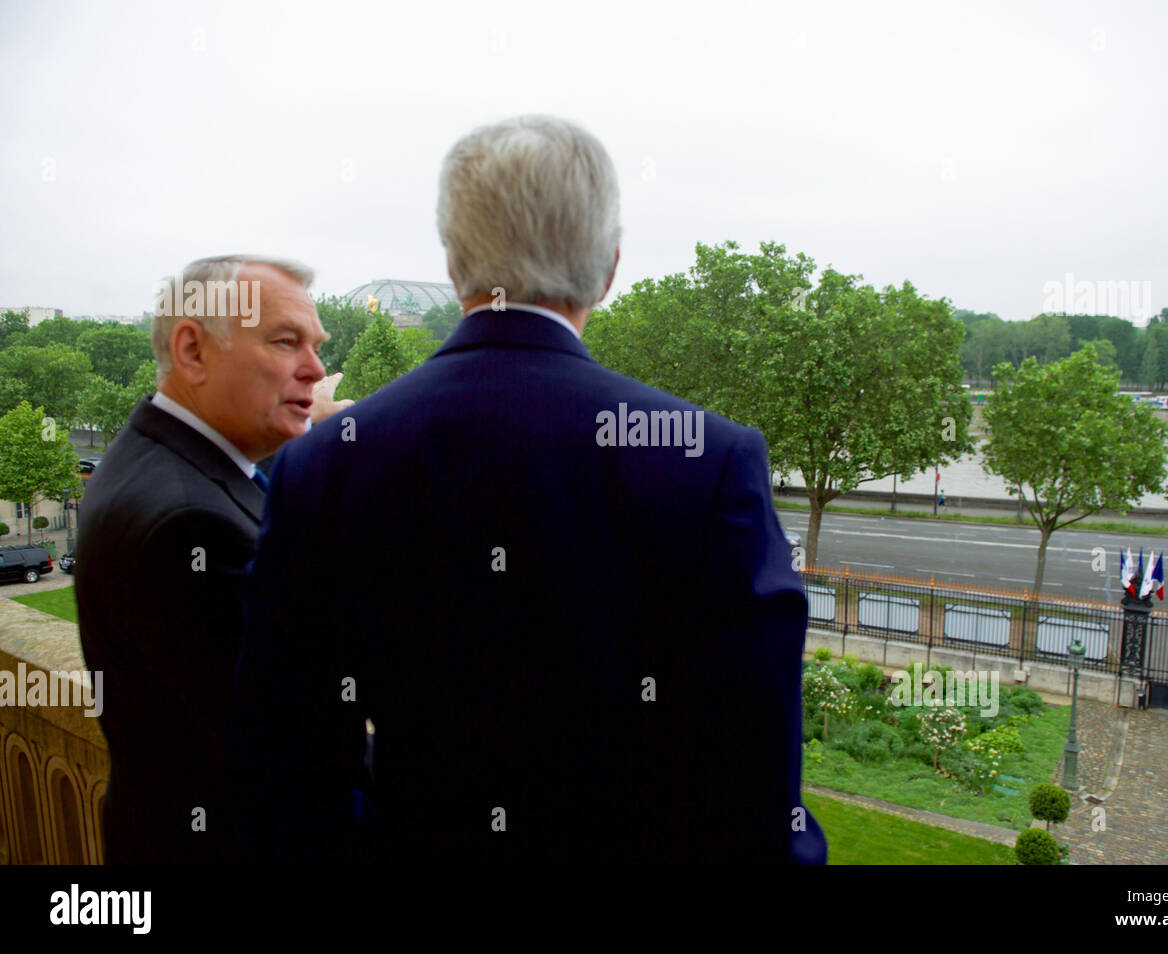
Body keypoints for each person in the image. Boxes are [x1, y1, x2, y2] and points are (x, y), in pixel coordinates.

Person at [229, 115, 826, 864]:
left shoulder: (322, 467)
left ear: (454, 265)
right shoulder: (709, 461)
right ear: (609, 269)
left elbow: (283, 772)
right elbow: (757, 796)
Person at [76, 254, 340, 862]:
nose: (316, 368)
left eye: (316, 345)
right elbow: (297, 752)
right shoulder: (187, 527)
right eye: (285, 342)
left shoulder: (154, 458)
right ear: (193, 350)